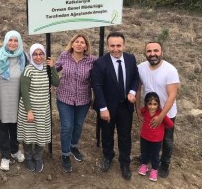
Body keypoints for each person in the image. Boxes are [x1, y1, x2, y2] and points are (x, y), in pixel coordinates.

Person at [91, 31, 139, 180]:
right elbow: (97, 86)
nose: (116, 49)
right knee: (107, 134)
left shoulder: (131, 59)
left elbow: (135, 78)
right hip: (107, 108)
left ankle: (124, 162)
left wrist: (132, 91)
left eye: (119, 45)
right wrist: (103, 108)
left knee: (125, 136)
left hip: (125, 107)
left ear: (124, 45)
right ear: (108, 46)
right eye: (112, 46)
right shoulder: (100, 63)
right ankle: (108, 156)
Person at [136, 41, 180, 178]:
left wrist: (161, 117)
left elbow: (172, 95)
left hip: (166, 113)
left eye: (156, 51)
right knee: (148, 136)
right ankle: (146, 158)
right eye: (149, 51)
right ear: (145, 53)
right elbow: (138, 90)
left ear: (162, 53)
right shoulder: (141, 68)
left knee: (166, 139)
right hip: (149, 112)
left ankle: (165, 163)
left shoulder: (170, 70)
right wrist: (138, 109)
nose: (152, 54)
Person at [0, 30, 27, 171]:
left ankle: (15, 150)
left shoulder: (24, 57)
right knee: (1, 128)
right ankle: (5, 155)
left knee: (15, 127)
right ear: (5, 41)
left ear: (19, 42)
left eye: (16, 40)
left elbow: (34, 70)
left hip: (17, 99)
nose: (13, 43)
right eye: (10, 40)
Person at [55, 33, 97, 173]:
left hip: (83, 99)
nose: (79, 44)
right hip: (64, 98)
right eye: (76, 42)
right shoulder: (64, 56)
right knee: (67, 126)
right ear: (72, 44)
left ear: (86, 46)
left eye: (82, 42)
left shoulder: (92, 60)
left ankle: (73, 146)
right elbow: (55, 71)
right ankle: (65, 154)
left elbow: (97, 79)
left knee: (78, 125)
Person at [17, 43, 60, 173]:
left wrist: (52, 68)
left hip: (43, 109)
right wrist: (29, 111)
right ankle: (29, 158)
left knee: (41, 135)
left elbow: (56, 83)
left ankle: (38, 157)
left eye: (41, 54)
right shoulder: (28, 70)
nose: (38, 57)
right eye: (35, 54)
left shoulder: (47, 69)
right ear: (31, 56)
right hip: (29, 108)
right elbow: (24, 92)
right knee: (28, 135)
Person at [138, 92, 174, 182]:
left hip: (156, 140)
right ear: (146, 104)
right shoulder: (144, 110)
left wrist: (161, 128)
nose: (152, 107)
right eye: (150, 104)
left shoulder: (161, 114)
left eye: (155, 104)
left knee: (155, 155)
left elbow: (170, 124)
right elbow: (140, 113)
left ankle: (154, 170)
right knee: (144, 152)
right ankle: (144, 166)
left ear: (158, 104)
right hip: (144, 137)